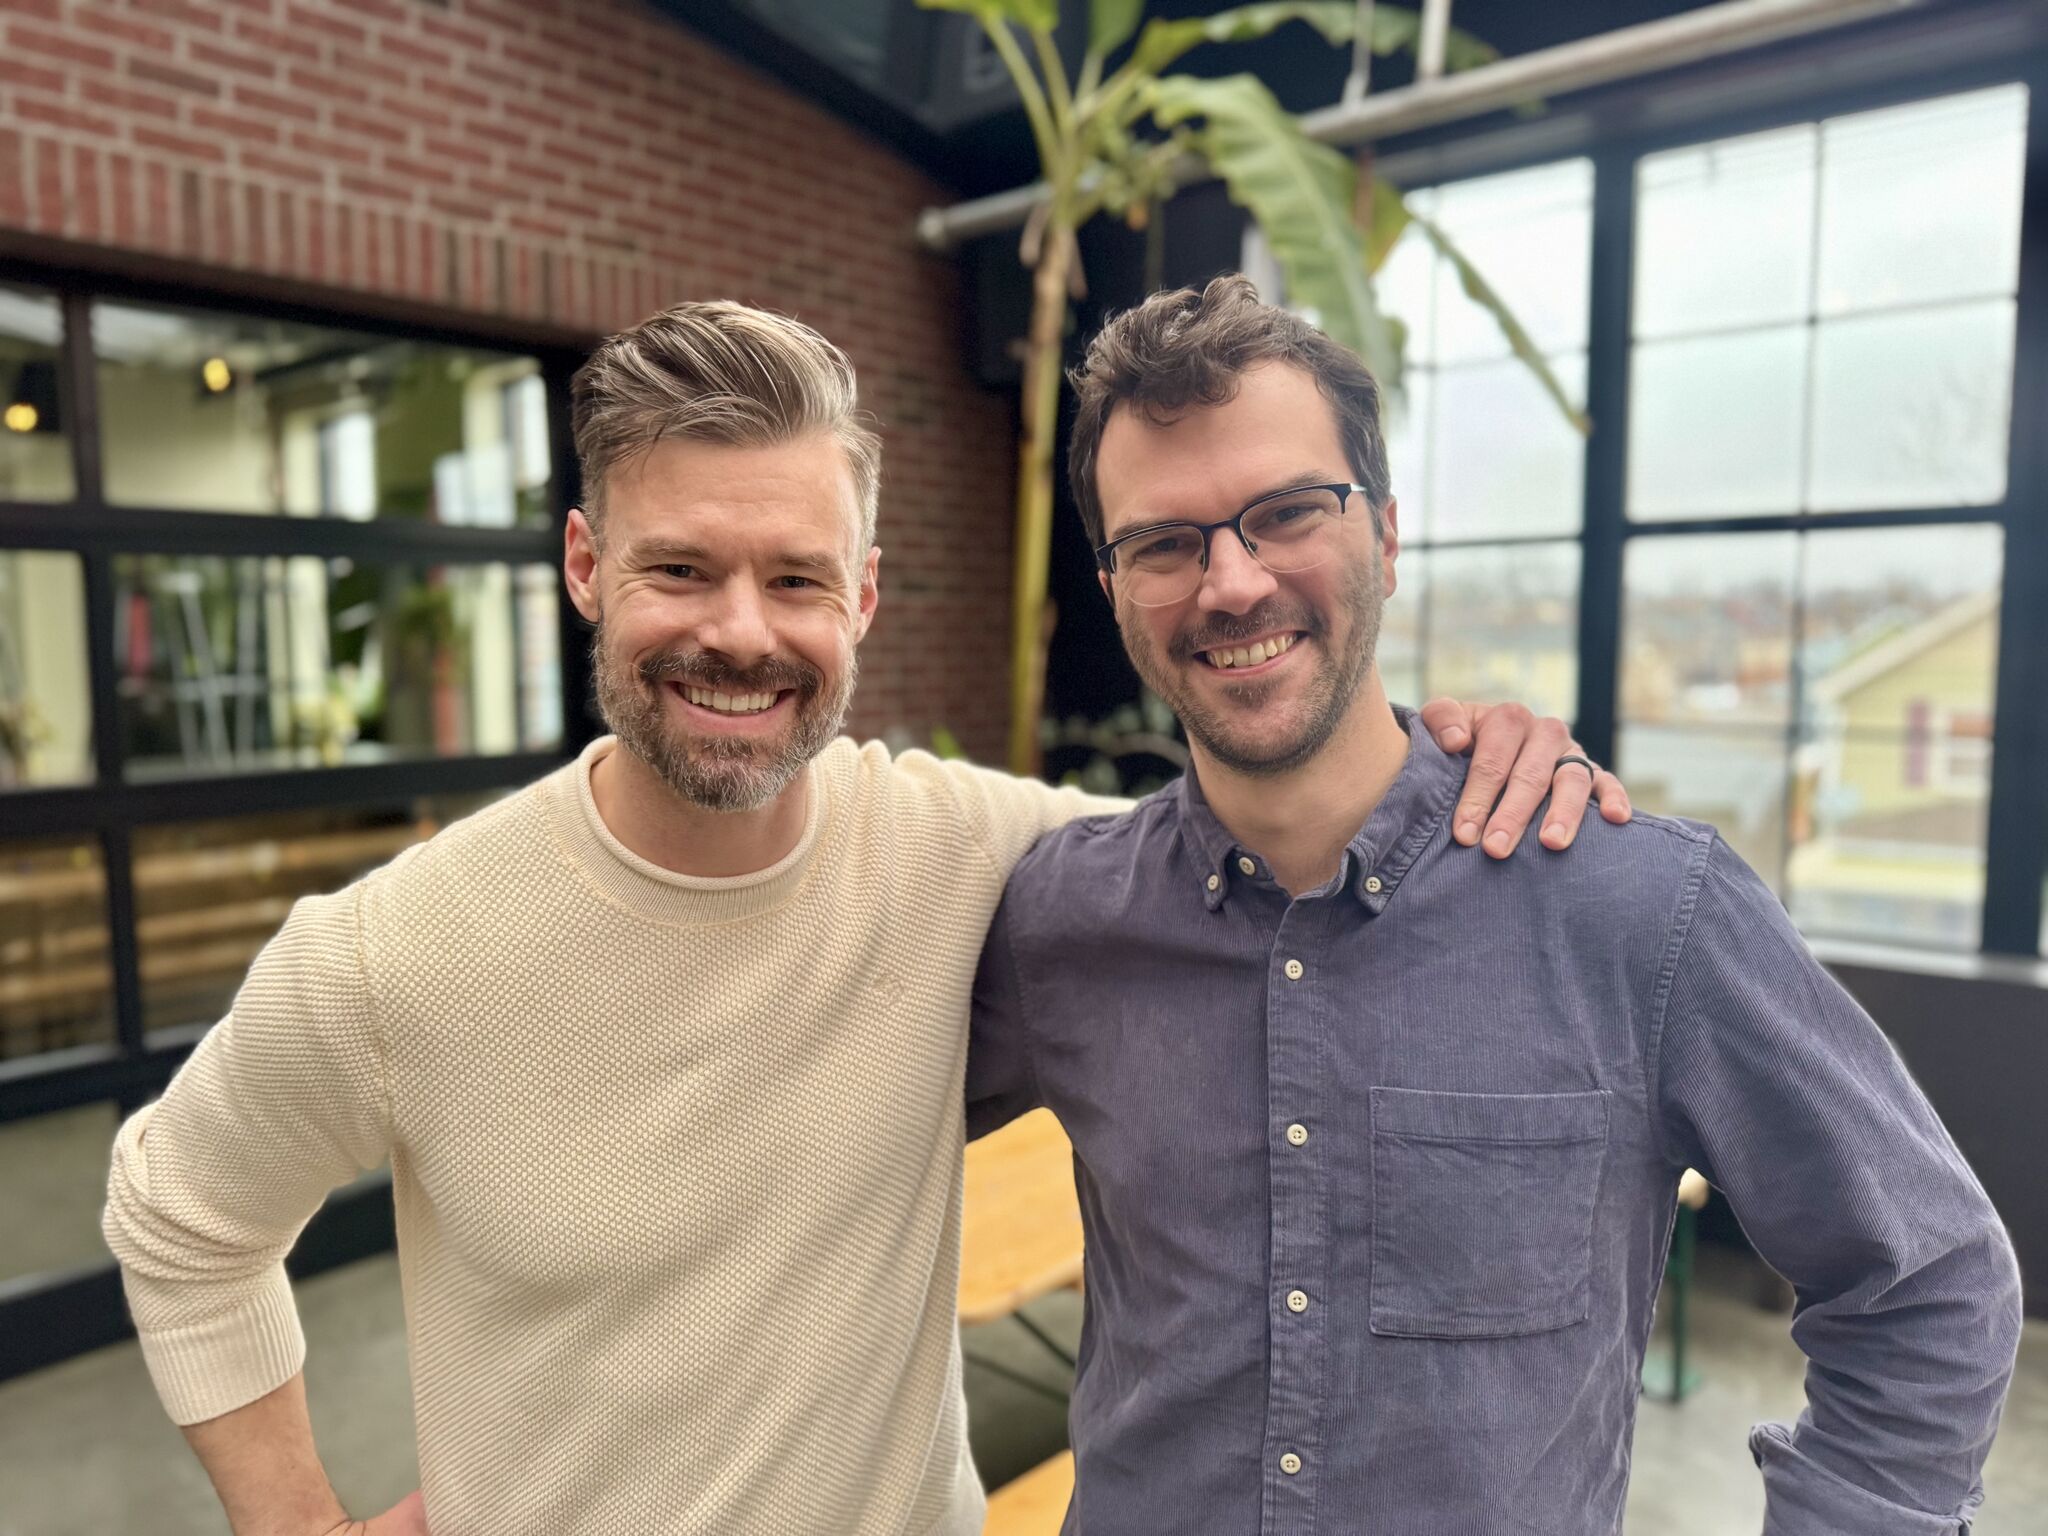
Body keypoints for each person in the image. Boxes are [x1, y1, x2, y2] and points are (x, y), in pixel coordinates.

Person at [101, 299, 1628, 1536]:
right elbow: (181, 1215)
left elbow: (1274, 847)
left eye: (796, 578)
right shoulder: (395, 949)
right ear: (584, 567)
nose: (740, 632)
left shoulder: (975, 858)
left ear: (868, 599)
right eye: (679, 570)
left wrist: (1457, 754)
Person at [968, 274, 2024, 1534]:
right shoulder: (1058, 924)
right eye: (1163, 541)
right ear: (1113, 584)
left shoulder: (1634, 907)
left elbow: (1928, 1281)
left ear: (1389, 537)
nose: (1230, 583)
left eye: (1287, 511)